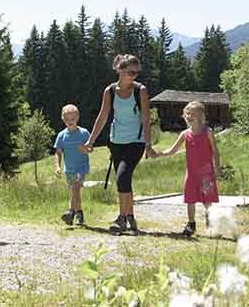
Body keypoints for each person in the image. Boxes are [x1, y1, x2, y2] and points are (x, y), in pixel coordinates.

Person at [82, 54, 156, 235]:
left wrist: (148, 144)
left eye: (136, 73)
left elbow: (146, 119)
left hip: (136, 141)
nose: (134, 76)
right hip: (116, 141)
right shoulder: (109, 91)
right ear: (120, 71)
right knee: (125, 180)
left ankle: (121, 218)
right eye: (131, 72)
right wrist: (91, 141)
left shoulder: (141, 91)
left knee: (122, 176)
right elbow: (103, 116)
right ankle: (130, 216)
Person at [158, 101, 220, 236]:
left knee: (207, 200)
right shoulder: (185, 134)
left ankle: (211, 224)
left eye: (193, 114)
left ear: (201, 116)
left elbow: (215, 151)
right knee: (190, 199)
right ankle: (191, 224)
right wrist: (158, 154)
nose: (189, 116)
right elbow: (172, 150)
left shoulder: (208, 132)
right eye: (187, 114)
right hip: (191, 174)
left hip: (206, 174)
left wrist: (217, 168)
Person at [54, 104, 91, 226]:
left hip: (81, 168)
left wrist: (86, 149)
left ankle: (70, 212)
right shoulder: (61, 136)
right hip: (68, 169)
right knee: (75, 193)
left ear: (77, 118)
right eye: (67, 119)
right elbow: (58, 152)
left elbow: (91, 148)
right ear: (63, 119)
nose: (70, 121)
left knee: (75, 188)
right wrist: (57, 166)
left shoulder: (84, 133)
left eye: (73, 119)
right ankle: (79, 213)